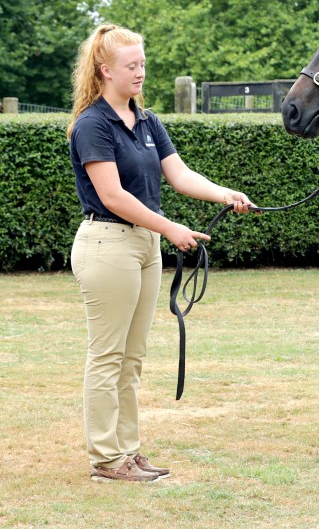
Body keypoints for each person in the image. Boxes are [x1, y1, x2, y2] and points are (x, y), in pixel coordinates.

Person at [67, 24, 255, 482]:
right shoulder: (93, 124)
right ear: (104, 69)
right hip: (107, 244)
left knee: (132, 358)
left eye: (143, 64)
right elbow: (113, 196)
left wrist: (225, 193)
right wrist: (170, 228)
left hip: (143, 245)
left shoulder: (147, 121)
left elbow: (179, 174)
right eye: (131, 66)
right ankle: (106, 459)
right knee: (107, 357)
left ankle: (128, 452)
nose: (140, 73)